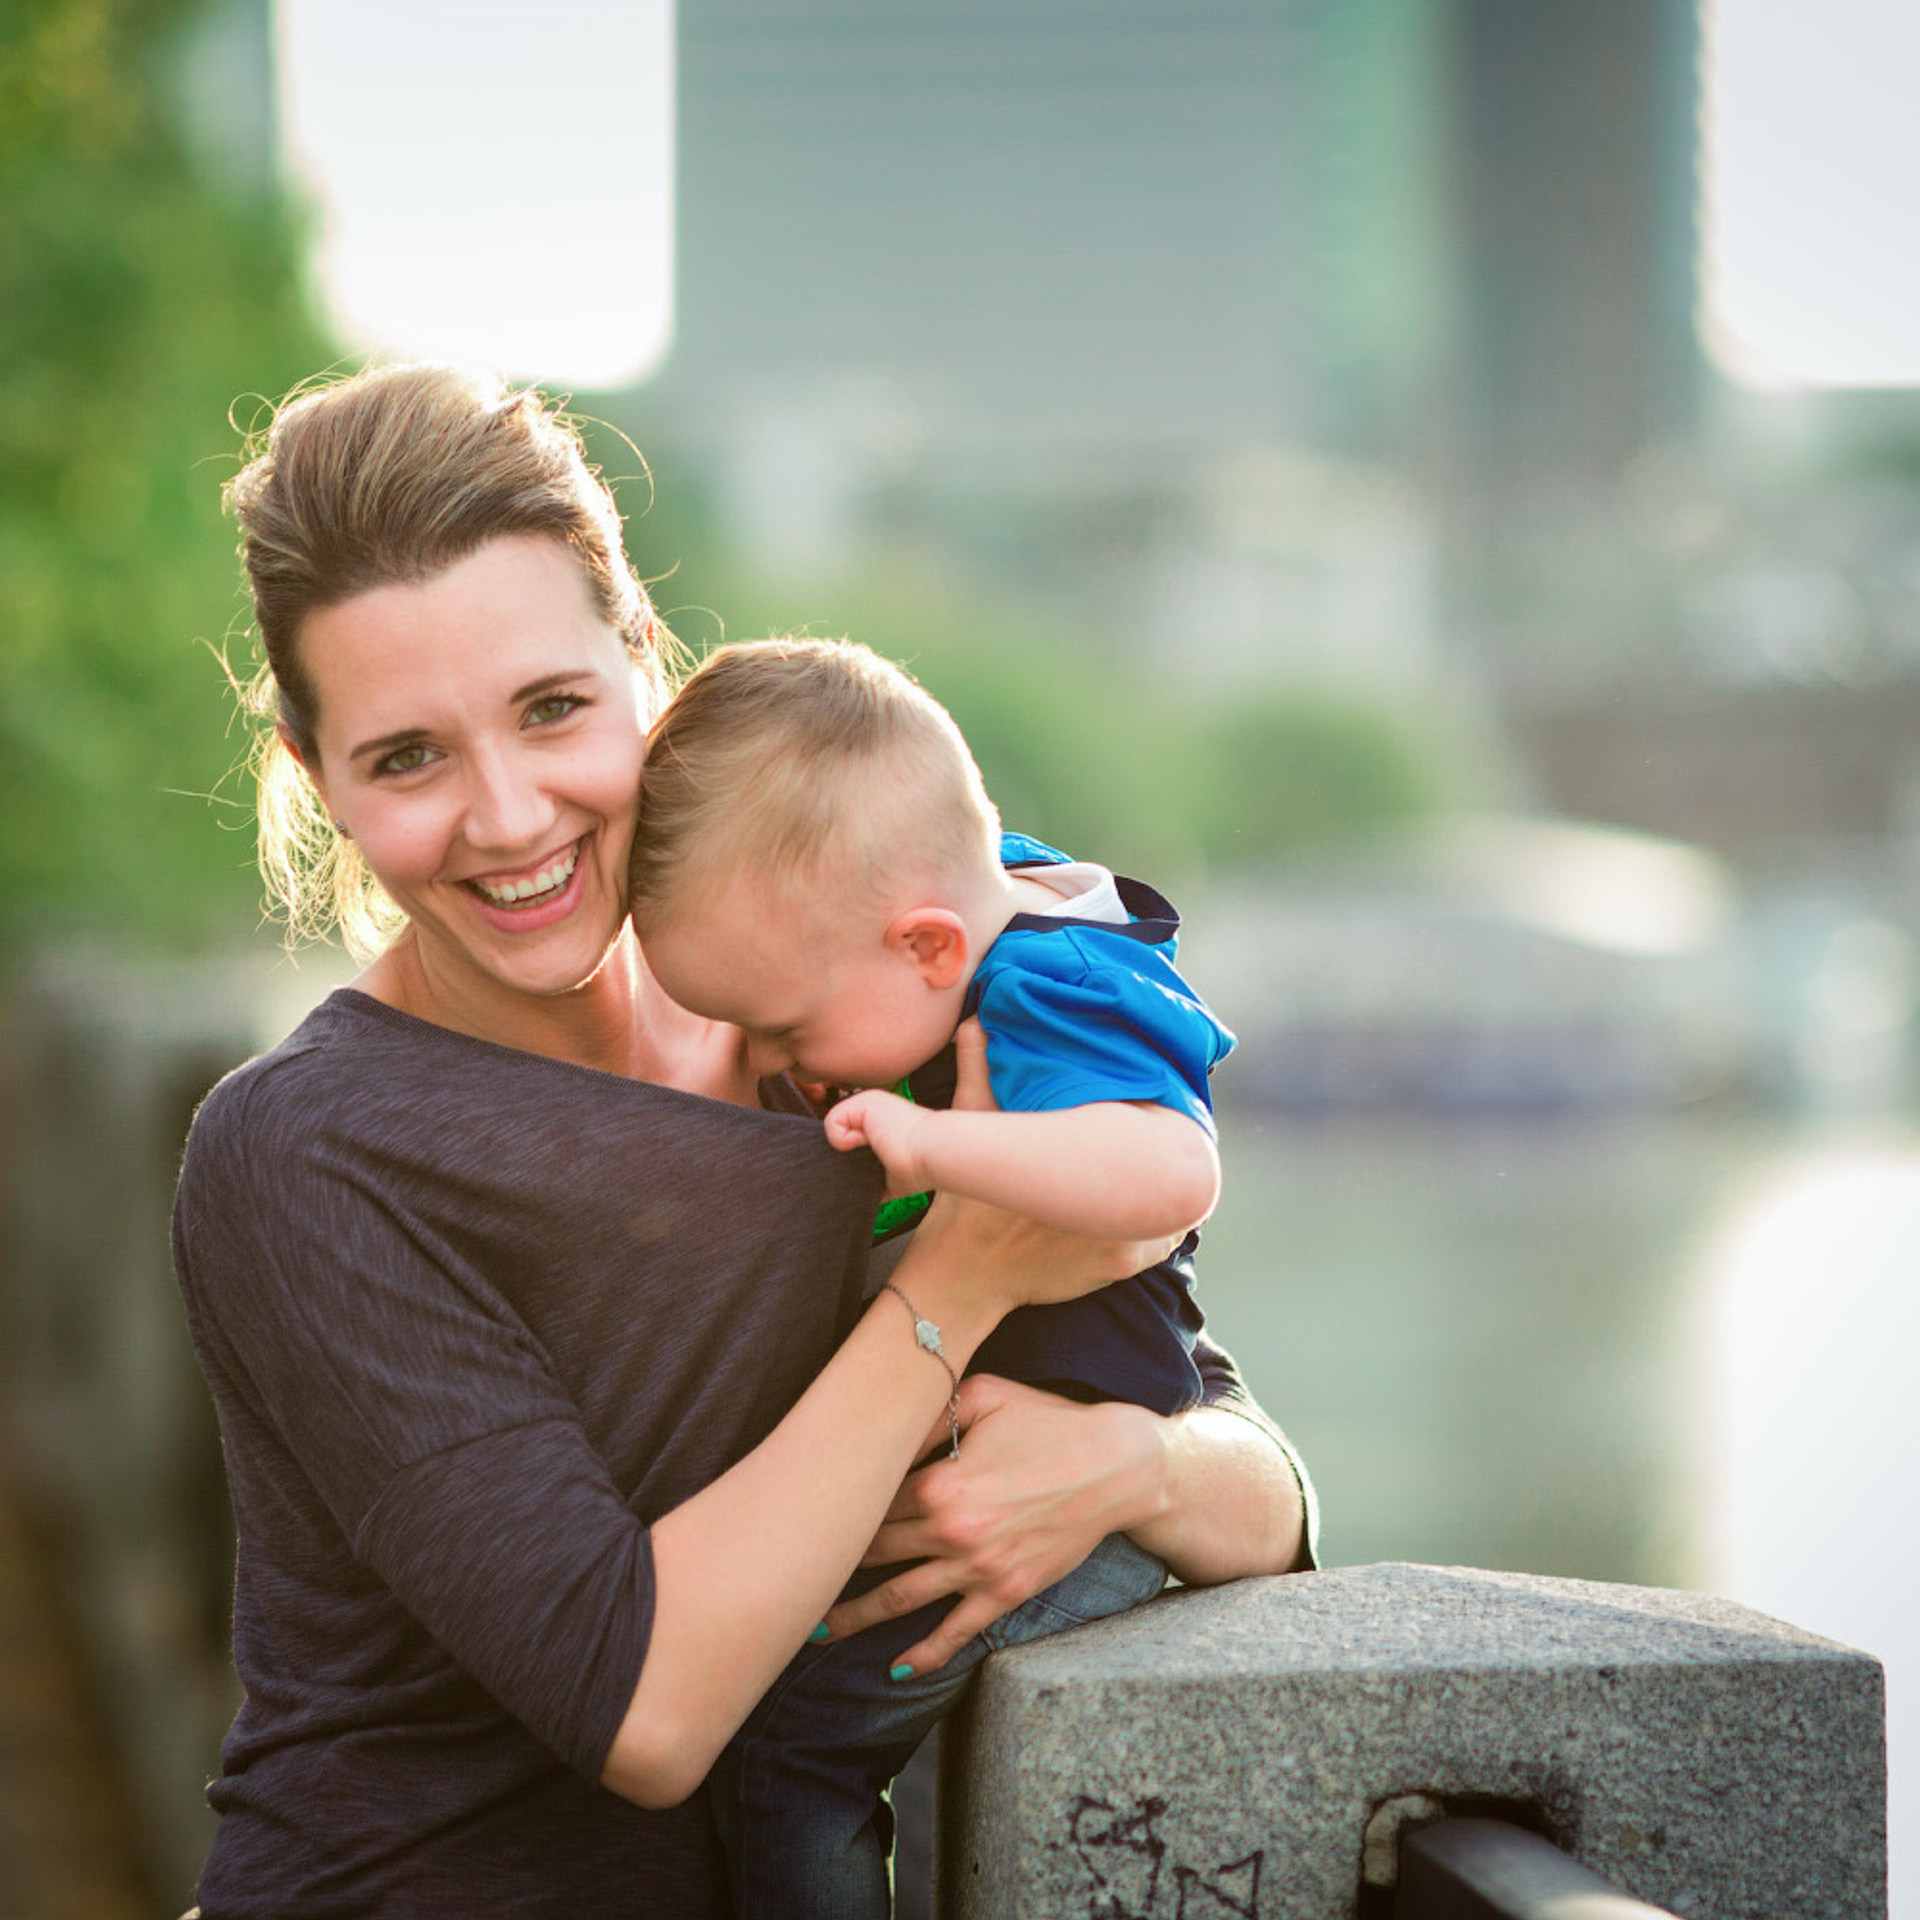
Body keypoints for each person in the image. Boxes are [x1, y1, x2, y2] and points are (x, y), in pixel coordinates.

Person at [170, 361, 1317, 1919]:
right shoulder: (306, 1152)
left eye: (554, 710)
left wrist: (1125, 1465)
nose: (507, 817)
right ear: (322, 782)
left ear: (645, 659)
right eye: (408, 758)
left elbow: (1257, 1484)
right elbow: (642, 1710)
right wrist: (954, 1292)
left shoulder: (844, 1020)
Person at [628, 636, 1245, 1918]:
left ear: (923, 945)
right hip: (991, 1480)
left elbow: (1172, 1171)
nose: (781, 1064)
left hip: (1066, 1522)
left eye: (788, 1029)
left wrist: (938, 1144)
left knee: (792, 1755)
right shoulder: (971, 923)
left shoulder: (1054, 980)